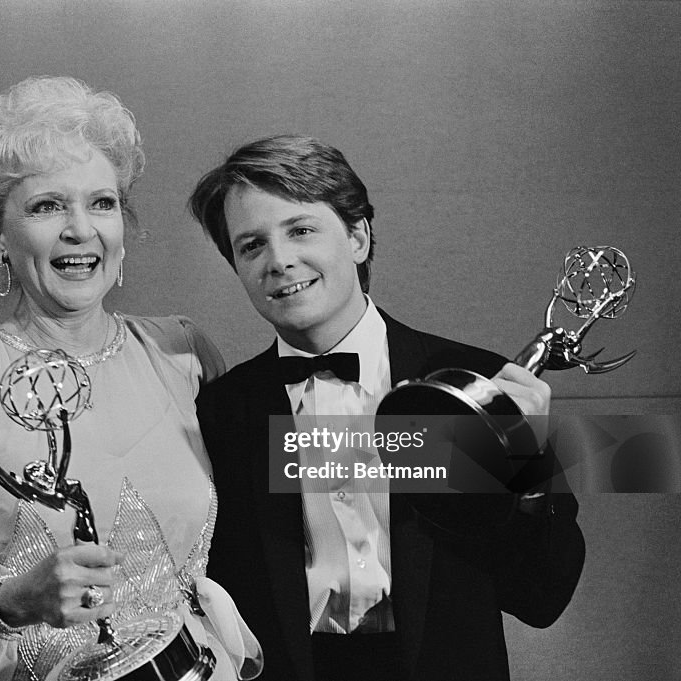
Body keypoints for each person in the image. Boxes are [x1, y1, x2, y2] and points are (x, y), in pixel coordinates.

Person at [0, 77, 261, 681]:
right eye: (46, 205)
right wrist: (13, 599)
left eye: (101, 203)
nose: (80, 229)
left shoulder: (181, 353)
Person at [188, 135, 585, 681]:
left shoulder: (472, 381)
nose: (279, 260)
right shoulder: (222, 412)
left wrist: (528, 469)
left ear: (357, 236)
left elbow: (542, 597)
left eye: (301, 230)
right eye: (251, 245)